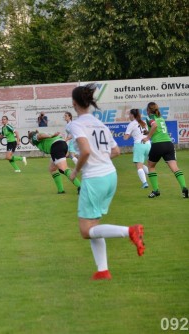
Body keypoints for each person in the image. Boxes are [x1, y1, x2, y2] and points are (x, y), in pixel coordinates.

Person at [68, 84, 145, 280]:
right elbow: (116, 152)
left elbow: (84, 151)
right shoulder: (100, 124)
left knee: (86, 231)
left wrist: (76, 170)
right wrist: (101, 160)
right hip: (110, 175)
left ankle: (130, 231)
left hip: (95, 178)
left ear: (74, 104)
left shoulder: (76, 124)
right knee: (94, 226)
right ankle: (102, 270)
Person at [141, 102, 188, 198]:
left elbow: (154, 126)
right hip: (169, 144)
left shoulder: (150, 117)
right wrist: (148, 132)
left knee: (151, 166)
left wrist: (147, 137)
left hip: (158, 144)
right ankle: (184, 188)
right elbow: (158, 130)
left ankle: (156, 191)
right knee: (175, 168)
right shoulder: (161, 118)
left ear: (149, 110)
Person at [28, 129, 81, 194]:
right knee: (52, 169)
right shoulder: (40, 140)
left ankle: (81, 187)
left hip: (56, 146)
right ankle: (60, 190)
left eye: (29, 140)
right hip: (59, 145)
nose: (30, 142)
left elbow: (40, 135)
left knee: (63, 169)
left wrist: (51, 136)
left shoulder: (34, 137)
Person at [123, 109, 150, 188]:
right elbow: (145, 132)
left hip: (139, 145)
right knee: (139, 163)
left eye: (129, 114)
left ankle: (145, 183)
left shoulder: (132, 124)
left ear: (132, 115)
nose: (129, 116)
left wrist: (125, 136)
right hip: (148, 144)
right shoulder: (143, 122)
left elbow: (126, 137)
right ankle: (151, 176)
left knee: (138, 165)